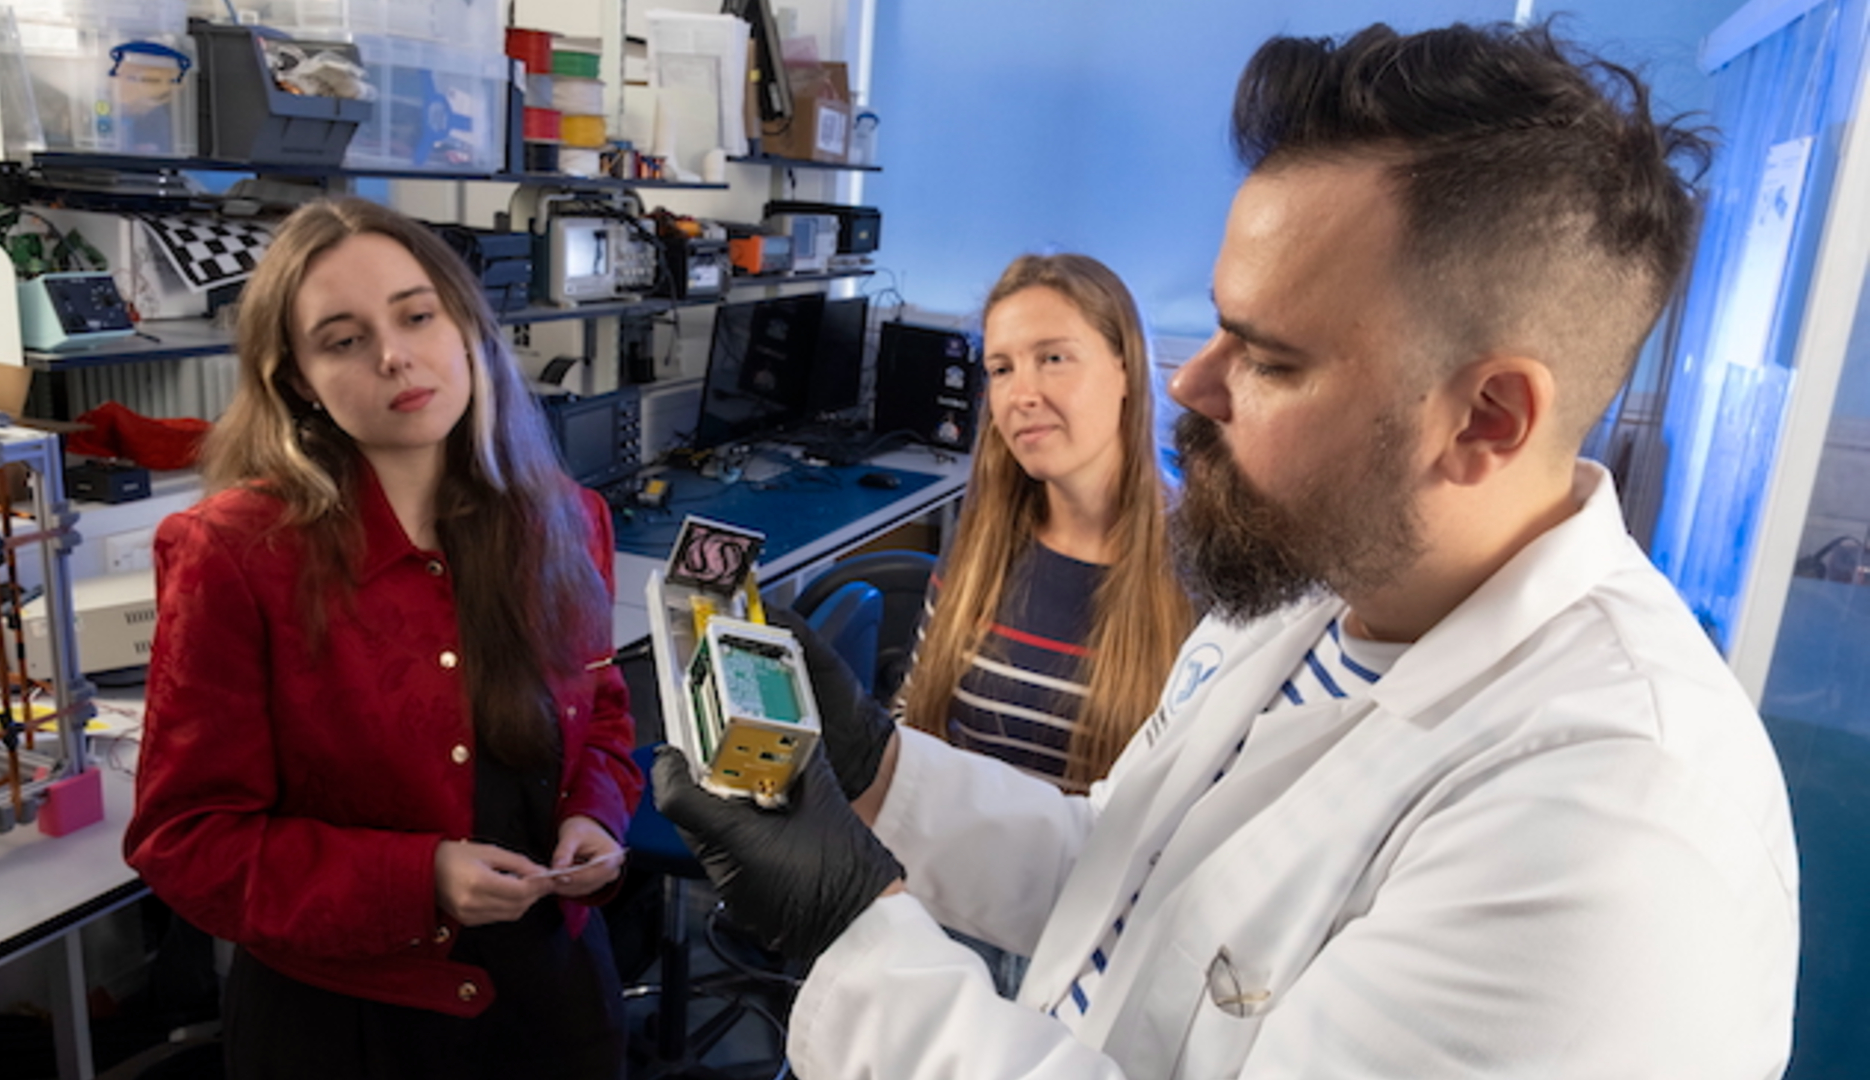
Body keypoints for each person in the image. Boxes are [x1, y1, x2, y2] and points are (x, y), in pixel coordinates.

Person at [655, 21, 1800, 1079]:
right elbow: (1126, 867)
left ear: (1487, 418)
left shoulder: (1613, 837)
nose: (1191, 385)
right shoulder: (1311, 589)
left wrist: (854, 938)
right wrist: (877, 768)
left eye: (1270, 358)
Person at [124, 196, 643, 1079]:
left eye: (416, 314)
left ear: (467, 325)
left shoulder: (563, 519)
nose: (396, 355)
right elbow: (188, 841)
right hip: (350, 1032)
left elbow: (601, 716)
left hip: (553, 1000)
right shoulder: (237, 556)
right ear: (297, 380)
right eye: (344, 339)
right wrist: (420, 879)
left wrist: (593, 810)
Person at [894, 253, 1194, 793]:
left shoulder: (1200, 566)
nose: (1022, 395)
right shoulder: (983, 541)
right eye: (1002, 369)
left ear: (1126, 367)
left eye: (1053, 358)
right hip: (945, 870)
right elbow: (914, 722)